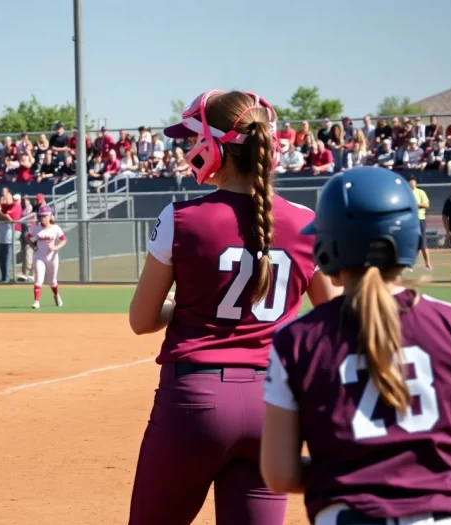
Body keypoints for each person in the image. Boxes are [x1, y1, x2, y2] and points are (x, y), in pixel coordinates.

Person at [127, 89, 340, 525]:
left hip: (194, 405)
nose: (188, 149)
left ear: (214, 145)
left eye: (192, 139)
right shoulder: (307, 223)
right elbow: (335, 318)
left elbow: (141, 320)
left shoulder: (181, 219)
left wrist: (187, 306)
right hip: (274, 406)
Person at [261, 166, 451, 525]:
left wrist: (348, 476)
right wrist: (419, 471)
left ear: (326, 248)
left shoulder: (297, 340)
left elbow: (280, 475)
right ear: (411, 241)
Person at [27, 205, 66, 309]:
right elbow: (27, 237)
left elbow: (64, 240)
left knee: (52, 281)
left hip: (52, 257)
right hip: (39, 256)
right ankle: (36, 301)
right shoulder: (36, 228)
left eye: (45, 216)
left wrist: (56, 247)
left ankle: (56, 295)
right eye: (41, 216)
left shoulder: (56, 228)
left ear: (50, 217)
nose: (43, 218)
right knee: (39, 279)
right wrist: (33, 246)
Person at [408, 175, 432, 270]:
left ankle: (428, 264)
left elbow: (426, 205)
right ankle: (410, 264)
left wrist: (415, 204)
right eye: (410, 181)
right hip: (410, 220)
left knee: (422, 243)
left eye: (413, 181)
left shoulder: (421, 192)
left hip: (420, 219)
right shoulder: (406, 192)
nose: (412, 183)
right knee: (412, 242)